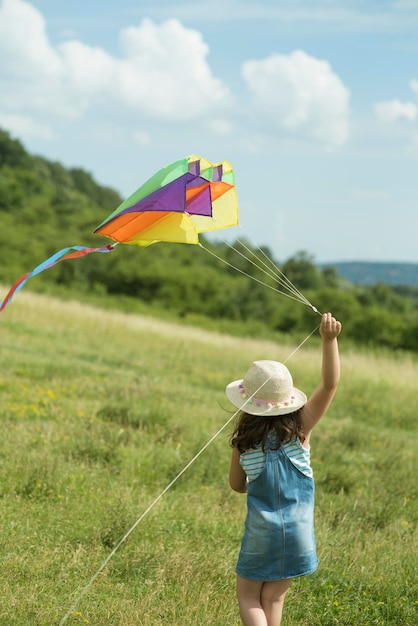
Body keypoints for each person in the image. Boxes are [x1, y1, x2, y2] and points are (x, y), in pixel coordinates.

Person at [227, 312, 342, 626]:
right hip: (298, 534)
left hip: (261, 534)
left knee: (250, 596)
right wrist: (329, 340)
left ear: (246, 401)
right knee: (273, 598)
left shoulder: (243, 444)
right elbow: (330, 385)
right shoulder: (301, 430)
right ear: (287, 400)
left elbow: (237, 485)